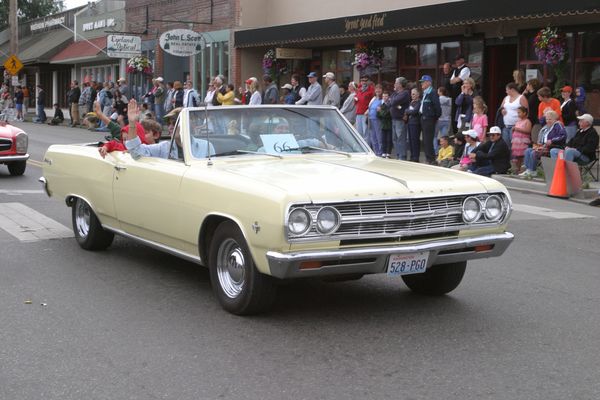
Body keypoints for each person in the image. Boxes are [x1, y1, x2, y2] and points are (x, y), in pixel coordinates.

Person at [124, 99, 215, 160]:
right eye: (168, 123)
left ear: (188, 124)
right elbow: (135, 152)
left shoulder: (206, 146)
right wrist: (132, 123)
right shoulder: (164, 147)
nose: (171, 127)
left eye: (175, 123)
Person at [520, 110, 566, 177]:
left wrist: (552, 140)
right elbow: (541, 122)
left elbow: (563, 136)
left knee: (534, 153)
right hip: (544, 146)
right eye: (547, 119)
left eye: (550, 119)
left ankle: (533, 171)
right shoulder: (547, 127)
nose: (548, 121)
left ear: (555, 119)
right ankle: (528, 169)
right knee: (528, 150)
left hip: (554, 146)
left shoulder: (558, 125)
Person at [419, 75, 442, 164]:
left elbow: (437, 108)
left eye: (423, 82)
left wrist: (433, 118)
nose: (421, 84)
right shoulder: (425, 93)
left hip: (429, 119)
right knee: (425, 140)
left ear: (429, 82)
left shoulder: (432, 92)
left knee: (428, 140)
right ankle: (428, 158)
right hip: (423, 118)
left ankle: (431, 159)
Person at [499, 82, 528, 147]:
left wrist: (523, 123)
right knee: (506, 145)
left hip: (517, 126)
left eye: (507, 90)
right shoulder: (506, 98)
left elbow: (526, 111)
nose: (506, 92)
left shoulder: (521, 98)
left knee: (515, 146)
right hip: (506, 125)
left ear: (512, 90)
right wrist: (502, 110)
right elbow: (501, 107)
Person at [389, 77, 410, 160]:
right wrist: (393, 101)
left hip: (400, 119)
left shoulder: (404, 93)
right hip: (394, 119)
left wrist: (393, 102)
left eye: (396, 83)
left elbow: (393, 102)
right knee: (394, 139)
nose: (394, 84)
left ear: (400, 85)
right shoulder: (396, 93)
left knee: (400, 139)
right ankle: (398, 155)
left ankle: (402, 157)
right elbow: (390, 102)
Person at [511, 106, 532, 173]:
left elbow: (528, 131)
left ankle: (523, 169)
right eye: (517, 112)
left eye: (519, 112)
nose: (518, 114)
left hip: (523, 141)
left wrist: (518, 129)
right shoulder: (518, 121)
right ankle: (517, 168)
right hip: (516, 141)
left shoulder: (527, 121)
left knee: (522, 155)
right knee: (517, 156)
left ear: (524, 113)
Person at [353, 76, 374, 142]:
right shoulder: (359, 89)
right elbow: (356, 101)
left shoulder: (371, 89)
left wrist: (368, 110)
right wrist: (355, 99)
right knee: (359, 131)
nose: (364, 82)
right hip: (358, 113)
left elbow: (373, 101)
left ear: (368, 81)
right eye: (362, 81)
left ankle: (367, 148)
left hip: (366, 113)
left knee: (366, 132)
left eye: (365, 80)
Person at [366, 84, 384, 156]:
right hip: (371, 119)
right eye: (376, 89)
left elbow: (385, 108)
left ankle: (380, 152)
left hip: (378, 120)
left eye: (379, 89)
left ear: (382, 90)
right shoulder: (373, 98)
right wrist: (367, 111)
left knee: (379, 137)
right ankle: (376, 152)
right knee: (373, 137)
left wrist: (380, 110)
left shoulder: (383, 99)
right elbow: (369, 107)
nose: (378, 90)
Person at [406, 88, 422, 162]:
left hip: (415, 123)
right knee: (411, 140)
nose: (412, 95)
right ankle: (412, 156)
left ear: (418, 94)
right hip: (410, 122)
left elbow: (414, 111)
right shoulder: (411, 102)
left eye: (413, 94)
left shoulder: (419, 102)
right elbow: (408, 110)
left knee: (415, 140)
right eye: (411, 94)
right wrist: (409, 111)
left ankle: (416, 157)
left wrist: (408, 111)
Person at [435, 86, 452, 155]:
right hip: (447, 120)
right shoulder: (449, 100)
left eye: (438, 91)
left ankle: (436, 151)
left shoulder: (438, 99)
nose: (437, 92)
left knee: (434, 136)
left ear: (440, 92)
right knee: (444, 137)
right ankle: (444, 152)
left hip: (439, 120)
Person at [377, 90, 393, 158]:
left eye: (386, 96)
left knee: (389, 140)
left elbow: (387, 114)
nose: (384, 97)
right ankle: (383, 152)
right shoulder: (381, 105)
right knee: (383, 139)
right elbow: (378, 115)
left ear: (388, 97)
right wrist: (380, 112)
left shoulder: (390, 104)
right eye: (383, 96)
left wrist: (380, 111)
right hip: (383, 125)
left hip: (389, 124)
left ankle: (388, 153)